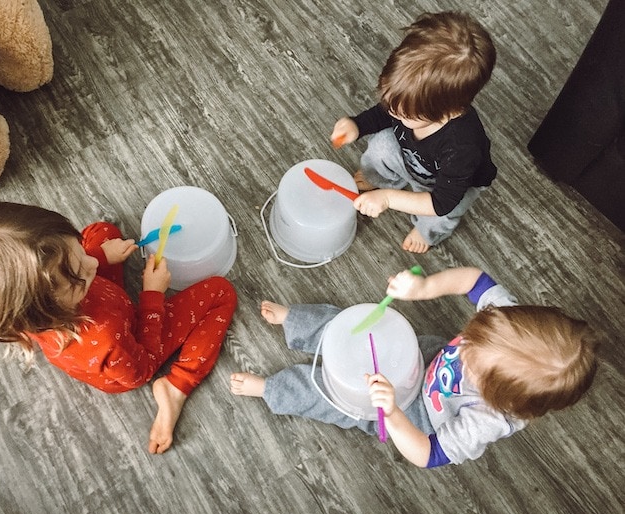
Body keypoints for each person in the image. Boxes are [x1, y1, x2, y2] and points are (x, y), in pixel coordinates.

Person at [0, 199, 237, 454]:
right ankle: (176, 388)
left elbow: (83, 264)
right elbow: (142, 366)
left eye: (77, 252)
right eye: (78, 274)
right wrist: (152, 297)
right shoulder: (106, 337)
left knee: (100, 231)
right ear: (44, 308)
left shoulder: (28, 310)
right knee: (221, 292)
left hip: (99, 305)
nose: (92, 264)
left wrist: (97, 256)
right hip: (132, 349)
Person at [230, 267, 598, 467]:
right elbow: (473, 279)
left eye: (473, 361)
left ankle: (273, 389)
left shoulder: (489, 420)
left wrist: (390, 412)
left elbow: (428, 454)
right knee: (353, 327)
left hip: (416, 412)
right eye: (474, 337)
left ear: (499, 396)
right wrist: (422, 288)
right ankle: (296, 322)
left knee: (331, 398)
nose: (465, 347)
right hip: (426, 356)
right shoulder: (507, 322)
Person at [331, 11, 497, 254]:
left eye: (402, 115)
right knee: (381, 145)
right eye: (390, 104)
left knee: (446, 213)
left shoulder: (462, 148)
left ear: (449, 112)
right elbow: (384, 114)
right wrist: (357, 125)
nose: (393, 113)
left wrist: (387, 199)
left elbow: (441, 203)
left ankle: (426, 232)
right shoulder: (411, 103)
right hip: (415, 160)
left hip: (446, 189)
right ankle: (380, 178)